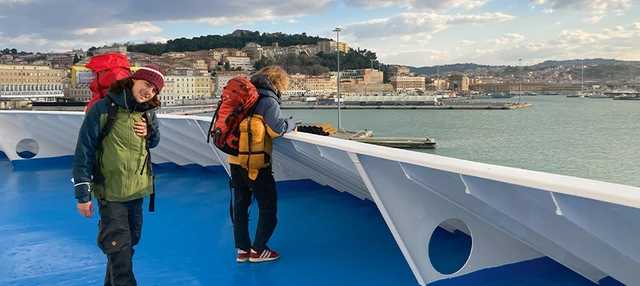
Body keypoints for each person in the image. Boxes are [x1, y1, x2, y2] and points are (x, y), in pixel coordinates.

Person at [72, 65, 164, 285]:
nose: (149, 91)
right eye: (147, 84)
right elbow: (84, 150)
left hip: (138, 189)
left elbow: (154, 141)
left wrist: (150, 132)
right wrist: (82, 195)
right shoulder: (102, 109)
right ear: (134, 80)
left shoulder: (147, 112)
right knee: (119, 249)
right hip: (110, 191)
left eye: (154, 90)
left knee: (125, 245)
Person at [231, 65, 296, 263]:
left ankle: (243, 250)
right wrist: (292, 123)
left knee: (241, 204)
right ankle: (258, 250)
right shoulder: (268, 100)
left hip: (235, 159)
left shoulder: (244, 96)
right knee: (268, 206)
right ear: (279, 83)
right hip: (256, 162)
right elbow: (277, 129)